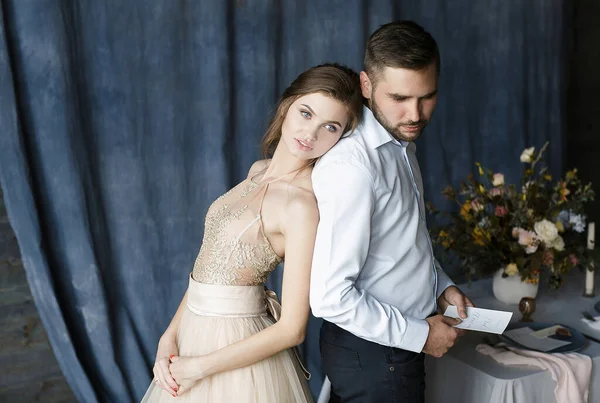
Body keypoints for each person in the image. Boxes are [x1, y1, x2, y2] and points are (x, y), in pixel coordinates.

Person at [140, 63, 363, 403]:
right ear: (287, 106)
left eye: (330, 127)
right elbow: (211, 265)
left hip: (234, 352)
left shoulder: (302, 207)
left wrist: (199, 368)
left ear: (342, 135)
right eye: (306, 113)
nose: (310, 133)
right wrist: (169, 335)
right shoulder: (258, 171)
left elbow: (292, 328)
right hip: (192, 332)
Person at [309, 21, 474, 403]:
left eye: (426, 96)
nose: (414, 114)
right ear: (366, 86)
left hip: (388, 348)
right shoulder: (353, 166)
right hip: (375, 356)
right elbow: (330, 297)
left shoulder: (398, 144)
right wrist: (421, 335)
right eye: (399, 98)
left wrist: (441, 286)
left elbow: (399, 249)